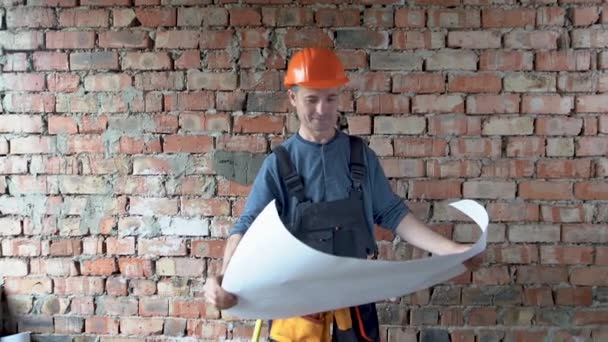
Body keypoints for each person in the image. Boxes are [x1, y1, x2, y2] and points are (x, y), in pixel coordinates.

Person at [204, 47, 483, 341]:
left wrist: (453, 252)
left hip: (355, 308)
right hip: (297, 313)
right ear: (293, 98)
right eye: (311, 99)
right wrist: (225, 279)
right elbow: (245, 227)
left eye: (331, 98)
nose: (322, 110)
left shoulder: (359, 156)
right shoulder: (279, 164)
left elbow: (393, 214)